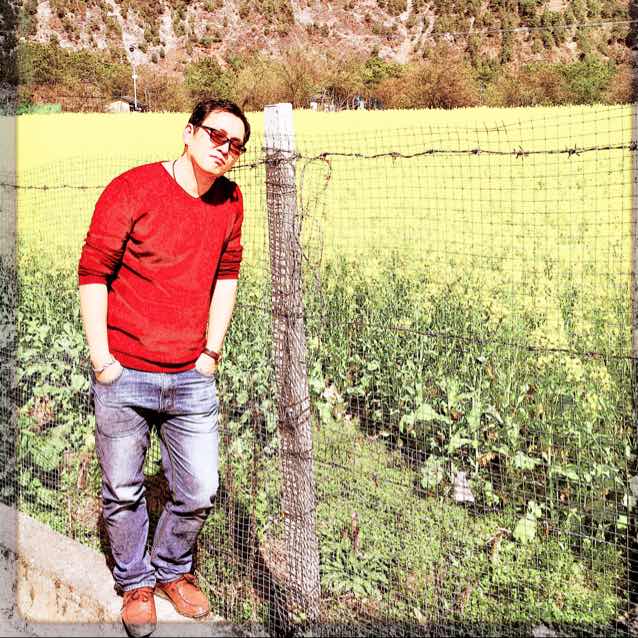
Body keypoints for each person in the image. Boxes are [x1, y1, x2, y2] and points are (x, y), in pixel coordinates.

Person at [77, 98, 250, 637]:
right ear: (188, 132)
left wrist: (211, 353)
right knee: (123, 490)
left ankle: (173, 568)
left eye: (237, 145)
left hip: (191, 377)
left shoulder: (230, 200)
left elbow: (227, 276)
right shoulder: (132, 189)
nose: (225, 149)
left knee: (199, 489)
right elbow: (93, 273)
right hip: (124, 372)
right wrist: (102, 360)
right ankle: (135, 582)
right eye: (216, 135)